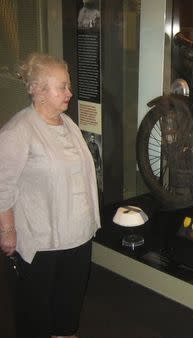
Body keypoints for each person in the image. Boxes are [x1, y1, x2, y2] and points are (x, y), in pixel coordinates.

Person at [0, 52, 100, 338]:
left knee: (67, 315)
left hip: (78, 238)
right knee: (35, 316)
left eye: (68, 86)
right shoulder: (19, 130)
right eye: (62, 87)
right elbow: (2, 185)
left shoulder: (67, 124)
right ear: (39, 92)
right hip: (40, 245)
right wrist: (7, 231)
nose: (70, 93)